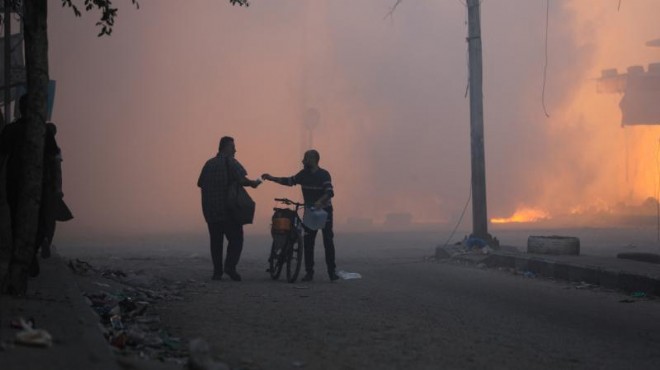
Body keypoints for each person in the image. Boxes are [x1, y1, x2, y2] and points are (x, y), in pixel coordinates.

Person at [262, 149, 339, 282]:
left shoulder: (324, 174)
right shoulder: (303, 174)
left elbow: (330, 192)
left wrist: (320, 202)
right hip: (310, 212)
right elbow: (290, 181)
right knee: (308, 243)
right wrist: (272, 178)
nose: (303, 161)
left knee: (328, 241)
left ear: (314, 159)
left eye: (306, 158)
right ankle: (309, 272)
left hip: (325, 212)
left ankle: (331, 272)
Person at [198, 136, 261, 281]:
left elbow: (200, 183)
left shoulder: (208, 164)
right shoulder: (230, 162)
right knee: (236, 239)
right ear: (226, 147)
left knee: (216, 242)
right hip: (228, 210)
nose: (235, 150)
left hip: (210, 211)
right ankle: (230, 267)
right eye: (233, 147)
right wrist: (253, 183)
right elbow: (242, 180)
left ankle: (217, 272)